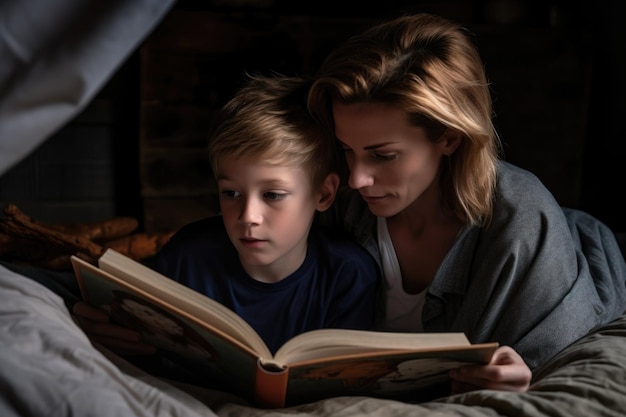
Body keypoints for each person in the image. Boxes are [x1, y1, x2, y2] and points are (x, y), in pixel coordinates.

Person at [306, 13, 626, 395]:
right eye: (347, 149)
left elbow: (538, 365)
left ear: (449, 137)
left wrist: (522, 373)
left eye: (384, 155)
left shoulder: (519, 223)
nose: (356, 178)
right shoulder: (342, 201)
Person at [73, 74, 379, 358]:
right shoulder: (187, 256)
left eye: (272, 195)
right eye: (231, 193)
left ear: (323, 194)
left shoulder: (349, 275)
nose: (248, 216)